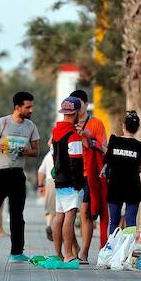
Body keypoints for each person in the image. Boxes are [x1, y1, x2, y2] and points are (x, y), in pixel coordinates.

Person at [0, 91, 41, 262]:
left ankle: (16, 252)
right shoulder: (2, 123)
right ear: (17, 107)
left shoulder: (31, 127)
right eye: (28, 107)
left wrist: (27, 151)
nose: (31, 110)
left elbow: (36, 152)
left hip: (17, 174)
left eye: (31, 106)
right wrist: (0, 148)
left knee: (17, 214)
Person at [70, 90, 109, 263]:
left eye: (79, 103)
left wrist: (87, 139)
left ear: (86, 104)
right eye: (74, 105)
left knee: (85, 211)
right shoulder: (67, 123)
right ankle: (73, 248)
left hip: (89, 174)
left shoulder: (96, 123)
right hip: (70, 174)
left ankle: (84, 252)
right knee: (66, 214)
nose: (77, 108)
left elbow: (104, 147)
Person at [51, 96, 85, 263]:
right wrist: (79, 182)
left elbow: (53, 154)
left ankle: (57, 253)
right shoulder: (73, 135)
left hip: (58, 180)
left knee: (59, 216)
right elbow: (76, 161)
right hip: (72, 182)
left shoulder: (55, 132)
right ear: (77, 112)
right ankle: (68, 254)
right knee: (70, 216)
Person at [105, 111, 141, 232]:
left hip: (115, 186)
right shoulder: (140, 146)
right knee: (131, 222)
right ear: (137, 128)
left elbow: (108, 160)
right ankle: (129, 249)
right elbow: (140, 166)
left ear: (123, 126)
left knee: (114, 222)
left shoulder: (113, 141)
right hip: (133, 186)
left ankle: (112, 249)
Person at [37, 150, 56, 241]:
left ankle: (49, 225)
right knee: (60, 208)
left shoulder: (48, 154)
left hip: (49, 181)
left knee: (49, 206)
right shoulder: (64, 150)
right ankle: (54, 228)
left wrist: (40, 185)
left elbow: (41, 171)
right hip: (60, 180)